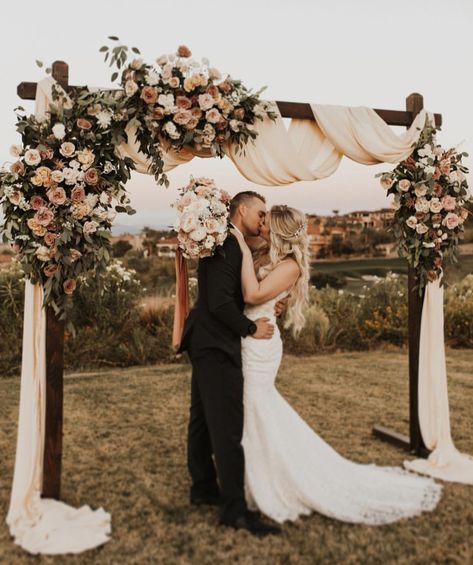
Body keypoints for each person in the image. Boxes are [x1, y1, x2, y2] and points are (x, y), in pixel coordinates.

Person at [230, 204, 442, 525]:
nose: (261, 225)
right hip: (251, 337)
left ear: (279, 231)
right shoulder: (271, 255)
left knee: (257, 406)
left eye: (266, 222)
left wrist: (243, 253)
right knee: (252, 409)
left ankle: (274, 479)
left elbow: (252, 294)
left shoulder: (290, 265)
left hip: (260, 344)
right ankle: (251, 477)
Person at [179, 191, 281, 536]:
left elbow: (226, 297)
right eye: (260, 213)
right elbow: (221, 304)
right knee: (227, 429)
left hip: (203, 339)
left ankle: (203, 488)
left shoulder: (224, 240)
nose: (263, 220)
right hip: (216, 344)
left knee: (203, 419)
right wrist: (251, 328)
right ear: (242, 210)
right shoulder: (227, 244)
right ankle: (234, 510)